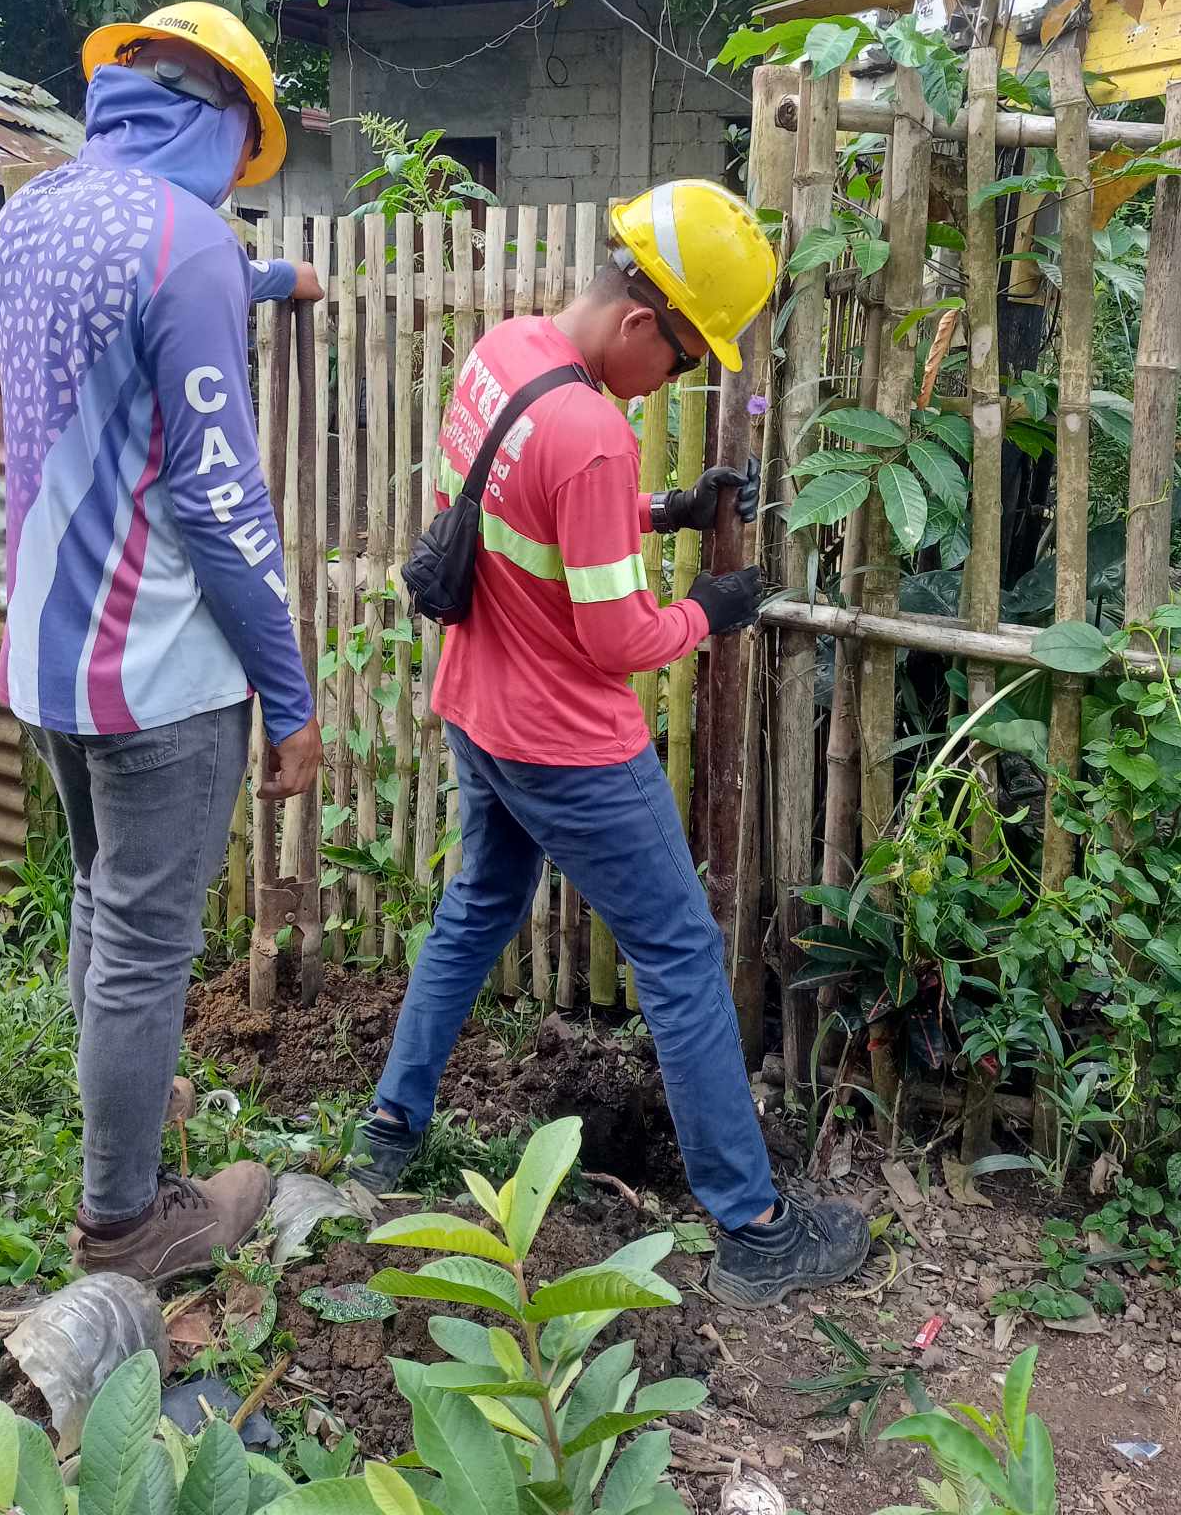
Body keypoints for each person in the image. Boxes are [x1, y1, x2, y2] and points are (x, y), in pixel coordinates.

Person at [359, 179, 870, 1309]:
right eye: (687, 358)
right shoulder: (595, 434)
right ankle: (753, 1226)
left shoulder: (508, 353)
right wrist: (713, 610)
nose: (680, 377)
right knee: (681, 958)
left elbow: (513, 499)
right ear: (643, 323)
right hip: (567, 745)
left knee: (473, 911)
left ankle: (388, 1127)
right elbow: (618, 637)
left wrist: (668, 507)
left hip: (478, 709)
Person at [0, 0, 323, 1283]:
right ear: (229, 118)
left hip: (48, 653)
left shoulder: (32, 215)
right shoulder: (186, 240)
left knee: (96, 902)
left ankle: (123, 1118)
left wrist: (275, 278)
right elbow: (221, 499)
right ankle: (125, 1221)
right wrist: (288, 696)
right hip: (160, 666)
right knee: (145, 945)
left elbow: (142, 307)